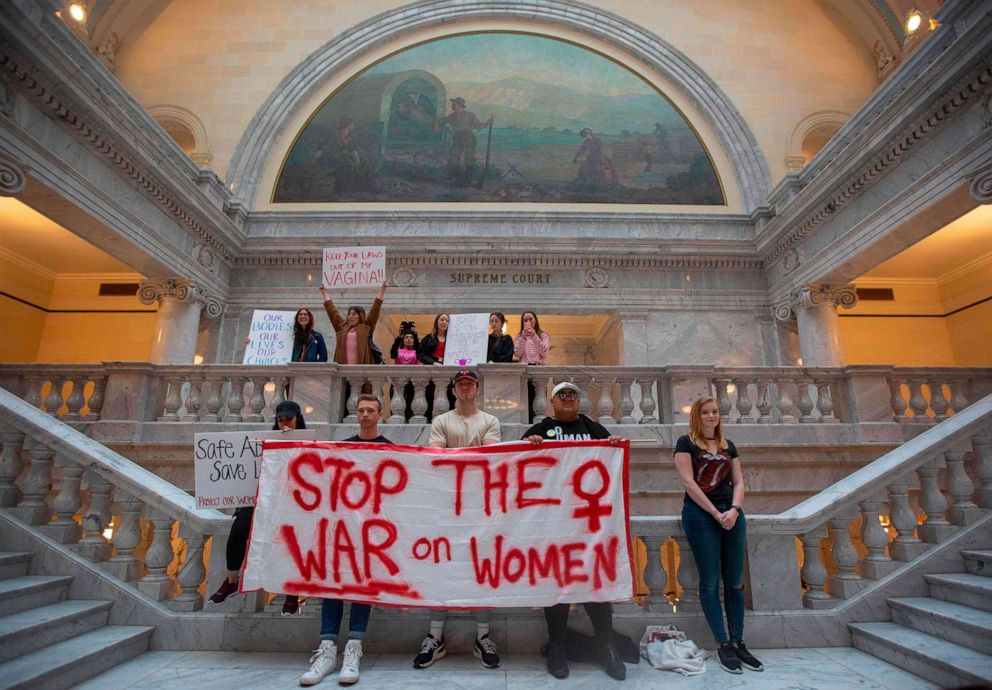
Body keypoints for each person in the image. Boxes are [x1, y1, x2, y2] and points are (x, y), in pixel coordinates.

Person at [522, 381, 627, 680]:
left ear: (579, 402)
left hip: (589, 524)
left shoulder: (594, 429)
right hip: (554, 522)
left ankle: (607, 646)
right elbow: (518, 466)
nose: (567, 399)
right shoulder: (539, 430)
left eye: (573, 395)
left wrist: (613, 447)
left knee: (595, 582)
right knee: (556, 584)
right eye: (562, 395)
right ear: (552, 402)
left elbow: (612, 461)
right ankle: (557, 646)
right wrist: (529, 449)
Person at [300, 394, 392, 686]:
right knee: (333, 583)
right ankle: (327, 651)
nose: (364, 414)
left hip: (372, 532)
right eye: (360, 410)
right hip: (340, 529)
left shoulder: (391, 450)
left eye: (370, 410)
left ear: (380, 414)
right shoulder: (341, 448)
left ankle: (354, 649)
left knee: (362, 586)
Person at [414, 369, 501, 670]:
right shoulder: (441, 421)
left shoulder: (490, 421)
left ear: (477, 389)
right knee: (441, 566)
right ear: (453, 389)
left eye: (470, 384)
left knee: (482, 567)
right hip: (446, 505)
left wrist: (458, 457)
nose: (465, 388)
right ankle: (434, 636)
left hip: (480, 505)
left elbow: (489, 459)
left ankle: (483, 636)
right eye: (460, 384)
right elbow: (436, 458)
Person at [674, 397, 763, 675]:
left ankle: (738, 641)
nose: (711, 416)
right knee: (710, 582)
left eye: (714, 412)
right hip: (701, 515)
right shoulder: (685, 443)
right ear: (697, 417)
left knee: (735, 583)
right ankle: (723, 643)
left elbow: (739, 481)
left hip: (732, 513)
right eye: (705, 412)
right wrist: (715, 513)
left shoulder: (728, 446)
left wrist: (735, 510)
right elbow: (688, 482)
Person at [208, 400, 306, 616]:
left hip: (291, 501)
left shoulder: (308, 441)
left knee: (291, 540)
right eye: (280, 420)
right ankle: (232, 579)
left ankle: (291, 592)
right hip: (260, 497)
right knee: (238, 530)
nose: (284, 424)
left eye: (288, 419)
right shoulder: (261, 441)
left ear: (298, 419)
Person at [319, 282, 387, 365]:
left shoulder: (366, 327)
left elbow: (375, 309)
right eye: (349, 314)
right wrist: (324, 292)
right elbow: (331, 311)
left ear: (360, 316)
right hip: (342, 370)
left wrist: (383, 289)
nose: (350, 316)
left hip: (362, 370)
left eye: (354, 314)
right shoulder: (341, 326)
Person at [434, 97, 493, 186]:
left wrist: (487, 123)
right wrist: (436, 124)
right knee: (453, 158)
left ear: (460, 106)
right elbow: (441, 120)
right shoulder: (452, 116)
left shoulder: (470, 115)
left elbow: (478, 127)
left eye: (454, 104)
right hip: (457, 139)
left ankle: (467, 181)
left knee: (469, 159)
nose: (452, 106)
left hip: (469, 138)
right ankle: (456, 178)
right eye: (452, 104)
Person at [514, 311, 550, 421]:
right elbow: (517, 354)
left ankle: (538, 423)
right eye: (525, 320)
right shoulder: (519, 336)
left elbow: (543, 351)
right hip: (524, 371)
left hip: (539, 370)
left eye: (530, 319)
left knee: (539, 399)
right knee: (525, 400)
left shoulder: (543, 335)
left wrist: (534, 335)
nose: (528, 322)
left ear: (535, 320)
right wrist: (523, 338)